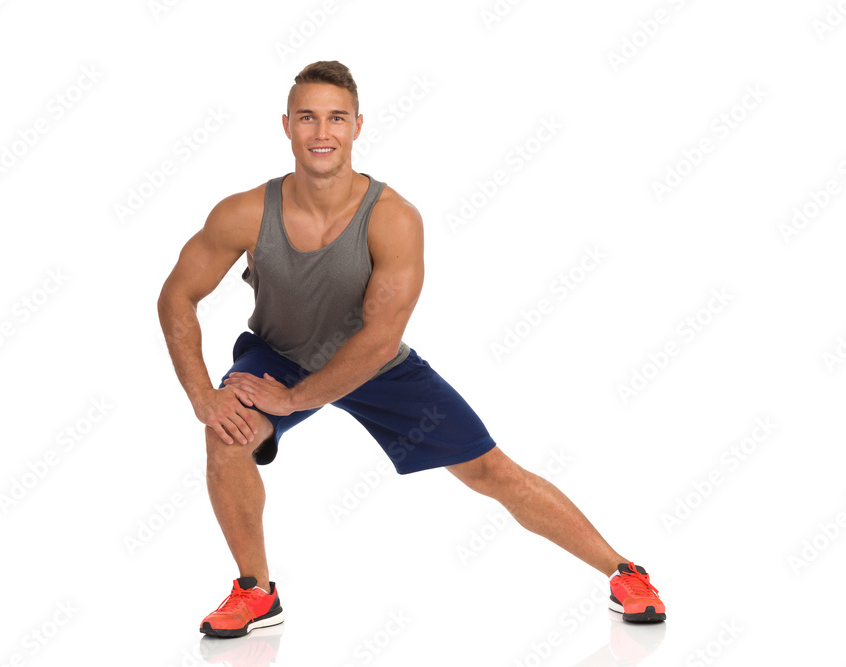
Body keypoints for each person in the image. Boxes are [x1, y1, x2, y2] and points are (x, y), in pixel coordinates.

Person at [157, 60, 666, 639]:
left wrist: (294, 399)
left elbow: (377, 342)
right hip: (279, 353)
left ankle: (625, 573)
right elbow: (177, 297)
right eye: (308, 118)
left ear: (357, 126)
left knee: (490, 470)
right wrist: (203, 396)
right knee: (226, 434)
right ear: (286, 126)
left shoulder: (393, 218)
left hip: (371, 365)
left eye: (336, 118)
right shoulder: (244, 212)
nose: (322, 132)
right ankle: (255, 591)